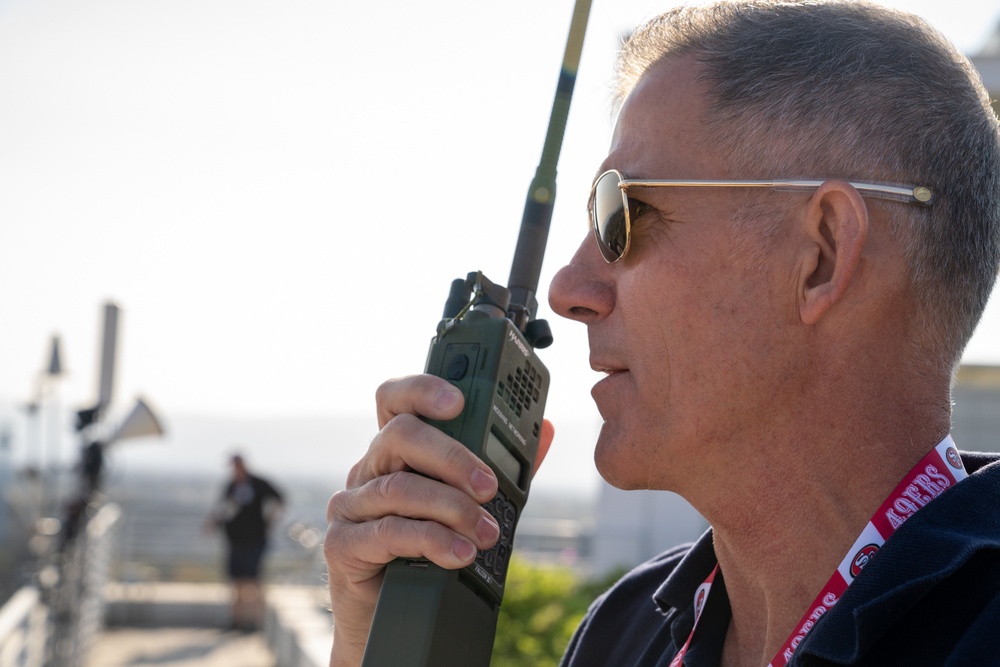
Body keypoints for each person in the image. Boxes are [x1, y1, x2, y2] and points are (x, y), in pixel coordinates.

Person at [323, 1, 1000, 665]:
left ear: (821, 254)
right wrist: (378, 646)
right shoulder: (625, 629)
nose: (567, 290)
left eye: (624, 212)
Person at [206, 452, 285, 632]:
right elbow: (223, 510)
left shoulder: (258, 484)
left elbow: (279, 499)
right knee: (236, 582)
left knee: (253, 581)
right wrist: (213, 524)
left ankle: (255, 621)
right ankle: (237, 620)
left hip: (255, 540)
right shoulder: (231, 486)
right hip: (235, 542)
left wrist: (270, 520)